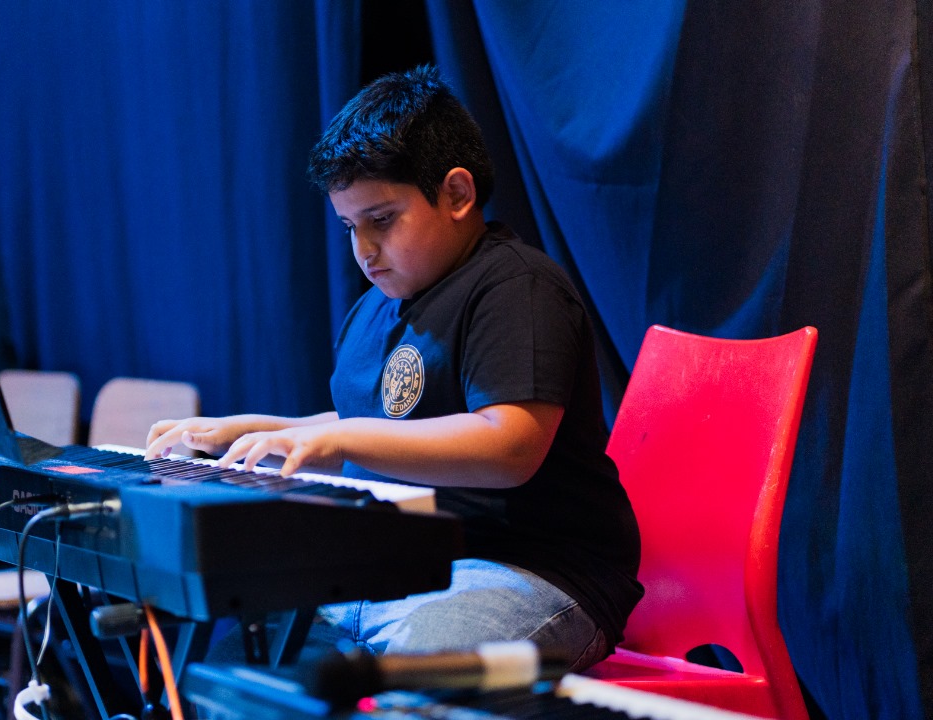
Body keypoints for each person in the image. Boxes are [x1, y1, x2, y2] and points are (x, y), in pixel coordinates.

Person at [143, 65, 641, 672]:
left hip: (528, 569)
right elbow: (372, 428)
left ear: (456, 195)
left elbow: (510, 444)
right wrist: (256, 430)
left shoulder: (516, 286)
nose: (363, 249)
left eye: (381, 219)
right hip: (393, 568)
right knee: (235, 672)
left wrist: (340, 437)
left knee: (417, 674)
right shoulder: (375, 308)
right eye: (350, 227)